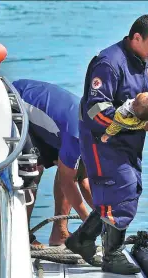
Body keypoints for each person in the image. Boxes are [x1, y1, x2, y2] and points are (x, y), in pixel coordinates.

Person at [65, 14, 148, 275]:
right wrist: (142, 125)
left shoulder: (142, 61)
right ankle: (112, 255)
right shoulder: (109, 64)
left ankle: (83, 240)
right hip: (103, 140)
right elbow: (96, 110)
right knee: (123, 190)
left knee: (122, 192)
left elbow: (142, 101)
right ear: (136, 38)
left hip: (127, 142)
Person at [12, 79, 95, 249]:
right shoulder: (77, 135)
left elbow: (83, 180)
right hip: (16, 101)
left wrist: (105, 217)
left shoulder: (98, 135)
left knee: (69, 167)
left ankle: (60, 232)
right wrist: (88, 222)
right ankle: (23, 237)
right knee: (32, 170)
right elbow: (67, 181)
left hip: (51, 122)